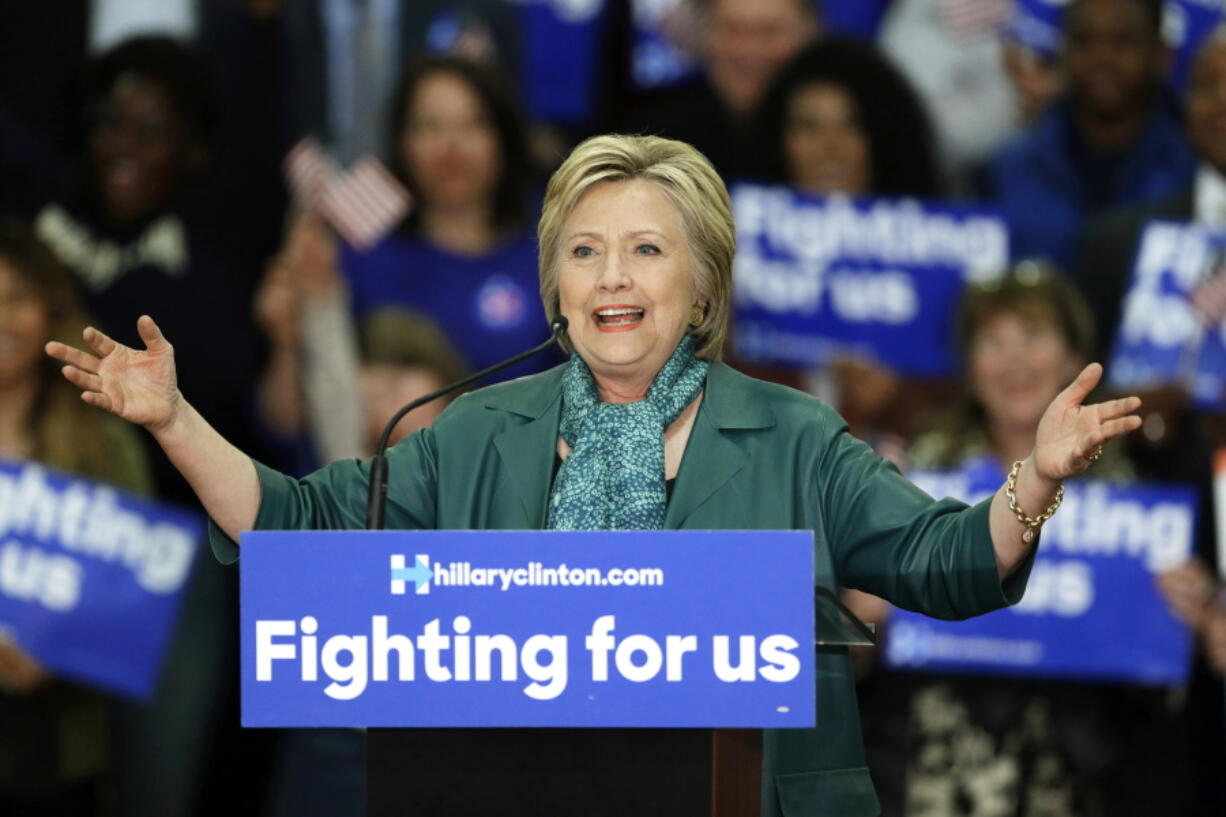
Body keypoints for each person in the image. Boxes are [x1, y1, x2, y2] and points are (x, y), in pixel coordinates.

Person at [46, 134, 1143, 817]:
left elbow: (942, 562)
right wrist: (178, 419)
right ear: (554, 286)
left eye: (646, 249)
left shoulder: (795, 433)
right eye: (583, 250)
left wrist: (1031, 478)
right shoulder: (471, 429)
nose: (611, 274)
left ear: (702, 287)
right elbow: (299, 530)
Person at [0, 219, 151, 817]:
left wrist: (57, 645)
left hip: (62, 740)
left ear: (47, 310)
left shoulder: (102, 443)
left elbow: (141, 581)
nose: (1, 319)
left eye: (15, 298)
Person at [747, 37, 946, 445]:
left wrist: (898, 401)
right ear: (779, 143)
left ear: (883, 141)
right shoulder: (736, 277)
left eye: (852, 124)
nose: (830, 148)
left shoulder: (940, 273)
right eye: (809, 126)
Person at [340, 54, 553, 380]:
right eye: (430, 126)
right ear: (401, 143)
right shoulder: (361, 256)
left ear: (504, 140)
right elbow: (290, 424)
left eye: (472, 124)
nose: (451, 147)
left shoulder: (554, 250)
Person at [986, 0, 1197, 270]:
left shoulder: (1196, 166)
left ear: (1162, 54)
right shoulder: (1008, 169)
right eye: (1083, 40)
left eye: (1122, 41)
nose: (1102, 57)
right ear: (1062, 51)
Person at [619, 0, 820, 180]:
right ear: (701, 38)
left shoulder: (843, 145)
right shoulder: (650, 144)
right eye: (732, 30)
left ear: (811, 35)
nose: (749, 49)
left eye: (770, 30)